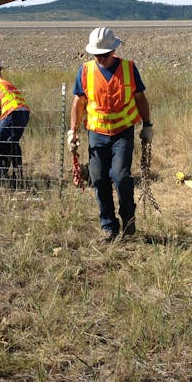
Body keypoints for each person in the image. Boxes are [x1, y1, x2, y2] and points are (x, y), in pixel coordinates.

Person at [69, 27, 152, 243]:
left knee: (120, 176)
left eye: (105, 54)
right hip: (97, 133)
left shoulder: (129, 68)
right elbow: (79, 102)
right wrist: (73, 131)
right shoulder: (85, 71)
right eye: (97, 55)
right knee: (98, 178)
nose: (101, 59)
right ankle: (109, 227)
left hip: (123, 131)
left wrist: (147, 125)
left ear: (114, 50)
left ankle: (128, 220)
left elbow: (140, 98)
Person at [0, 56, 30, 180]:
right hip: (24, 113)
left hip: (11, 114)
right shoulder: (6, 82)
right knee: (13, 144)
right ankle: (19, 176)